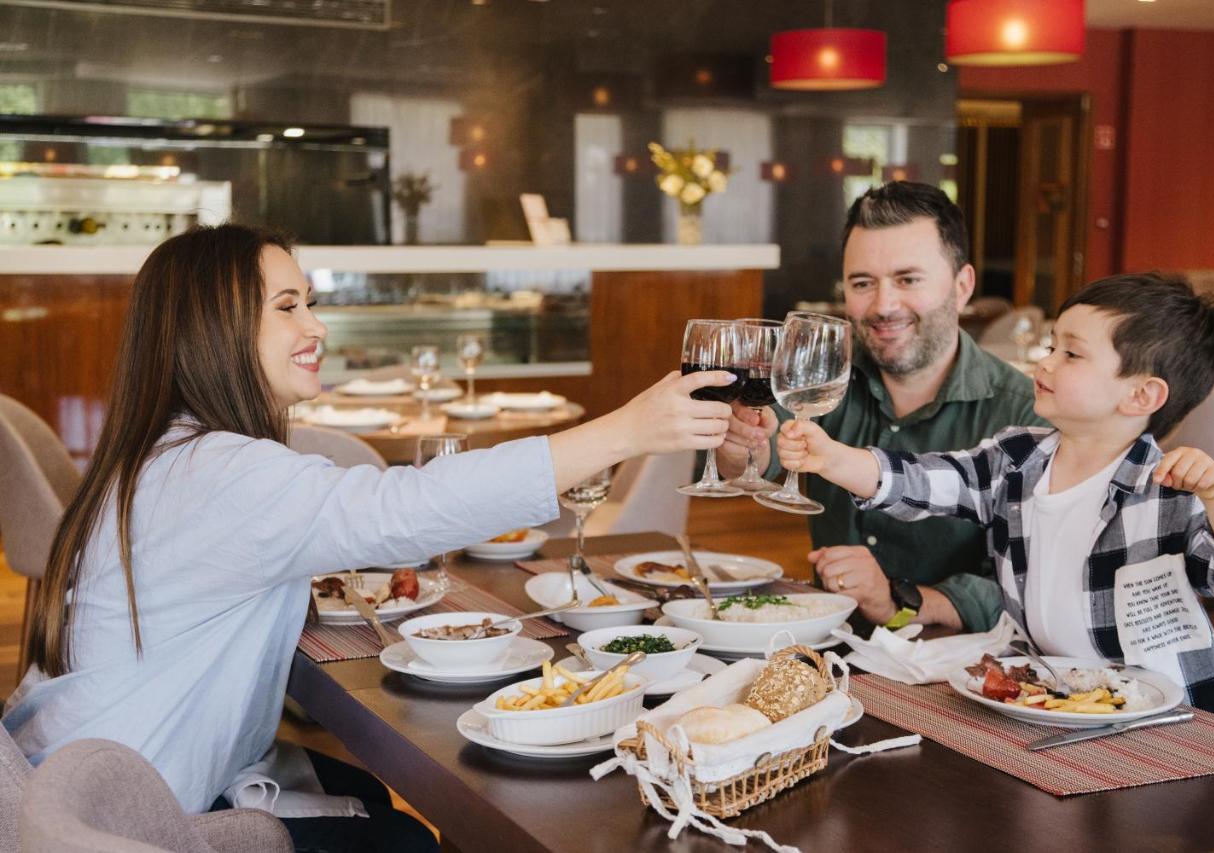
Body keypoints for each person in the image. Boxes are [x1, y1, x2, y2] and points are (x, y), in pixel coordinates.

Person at [2, 224, 737, 851]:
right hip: (144, 812)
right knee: (407, 835)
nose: (317, 326)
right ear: (215, 330)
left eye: (310, 304)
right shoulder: (221, 473)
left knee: (367, 793)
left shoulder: (163, 455)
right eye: (288, 307)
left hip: (81, 778)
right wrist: (627, 429)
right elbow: (406, 508)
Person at [776, 273, 1214, 715]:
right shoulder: (1018, 458)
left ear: (1141, 395)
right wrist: (834, 459)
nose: (1046, 361)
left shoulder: (1166, 489)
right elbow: (930, 480)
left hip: (1157, 721)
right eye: (1052, 345)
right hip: (1048, 697)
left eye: (1071, 354)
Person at [717, 181, 1045, 632]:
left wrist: (896, 600)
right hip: (831, 644)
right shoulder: (824, 376)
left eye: (908, 279)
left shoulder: (1026, 412)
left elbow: (1030, 585)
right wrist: (740, 443)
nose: (883, 305)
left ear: (962, 285)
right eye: (863, 283)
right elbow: (757, 456)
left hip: (960, 663)